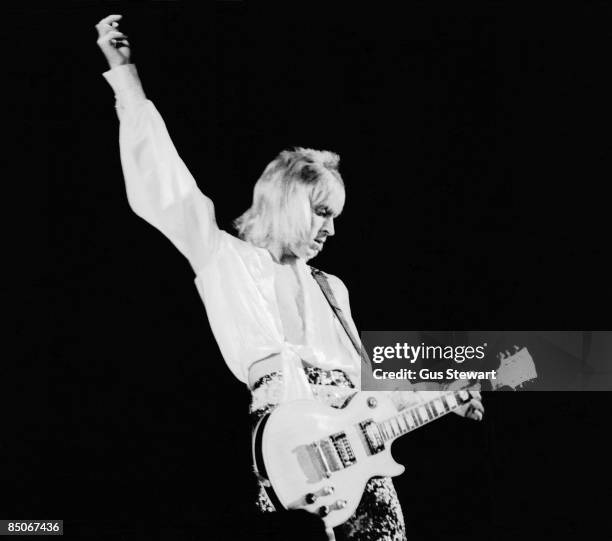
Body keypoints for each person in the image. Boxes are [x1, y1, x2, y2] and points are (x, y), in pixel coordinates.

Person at [95, 13, 484, 541]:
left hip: (361, 475)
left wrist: (440, 394)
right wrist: (126, 77)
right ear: (284, 197)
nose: (330, 229)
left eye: (335, 218)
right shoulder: (223, 258)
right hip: (290, 467)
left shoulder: (332, 289)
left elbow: (367, 385)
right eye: (322, 212)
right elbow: (164, 183)